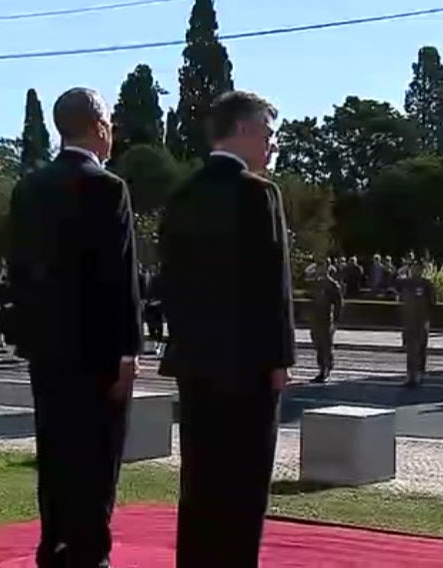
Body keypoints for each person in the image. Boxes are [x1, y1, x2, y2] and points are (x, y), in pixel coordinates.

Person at [158, 90, 294, 567]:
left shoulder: (182, 194)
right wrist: (280, 359)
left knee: (200, 481)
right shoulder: (259, 194)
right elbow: (273, 286)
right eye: (267, 133)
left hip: (195, 361)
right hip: (247, 365)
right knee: (243, 487)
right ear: (242, 130)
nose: (272, 145)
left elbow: (170, 281)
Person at [9, 87, 142, 568]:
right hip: (97, 353)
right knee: (97, 460)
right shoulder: (108, 187)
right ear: (99, 126)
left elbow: (20, 272)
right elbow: (119, 277)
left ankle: (55, 546)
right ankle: (89, 554)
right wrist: (128, 351)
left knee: (55, 452)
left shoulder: (29, 188)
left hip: (47, 351)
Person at [396, 260, 436, 387]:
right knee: (410, 349)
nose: (415, 271)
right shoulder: (406, 283)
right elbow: (394, 285)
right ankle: (411, 375)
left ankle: (420, 373)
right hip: (409, 321)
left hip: (421, 321)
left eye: (417, 269)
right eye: (413, 268)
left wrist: (427, 317)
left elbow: (433, 302)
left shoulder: (426, 284)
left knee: (421, 348)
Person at [308, 265, 344, 383]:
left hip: (327, 320)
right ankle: (321, 369)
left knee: (326, 345)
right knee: (318, 344)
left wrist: (336, 321)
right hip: (316, 319)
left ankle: (326, 370)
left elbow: (338, 304)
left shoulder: (333, 285)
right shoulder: (317, 284)